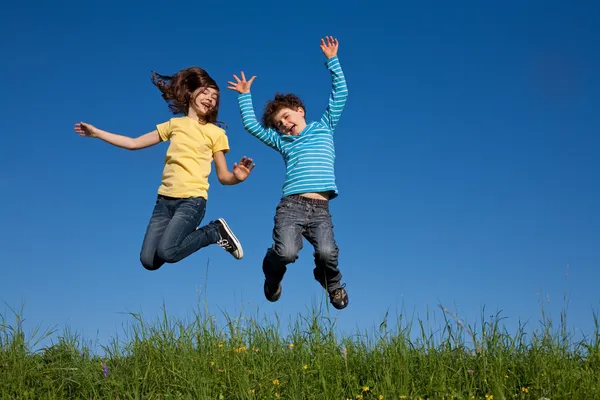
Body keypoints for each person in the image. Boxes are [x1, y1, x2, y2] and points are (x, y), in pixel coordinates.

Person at [74, 66, 255, 271]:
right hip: (164, 202)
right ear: (190, 93)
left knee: (168, 252)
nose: (210, 99)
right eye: (205, 92)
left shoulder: (216, 133)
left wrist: (237, 177)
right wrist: (97, 133)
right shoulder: (174, 125)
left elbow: (223, 176)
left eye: (215, 97)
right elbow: (134, 143)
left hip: (192, 200)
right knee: (149, 261)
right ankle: (189, 235)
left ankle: (214, 232)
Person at [227, 36, 349, 309]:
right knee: (286, 252)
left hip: (320, 207)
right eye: (279, 124)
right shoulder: (283, 141)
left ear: (300, 111)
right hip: (292, 206)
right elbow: (252, 126)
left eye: (286, 117)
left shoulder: (324, 126)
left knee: (328, 253)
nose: (284, 125)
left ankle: (332, 283)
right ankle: (272, 278)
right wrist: (245, 97)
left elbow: (340, 93)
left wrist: (332, 60)